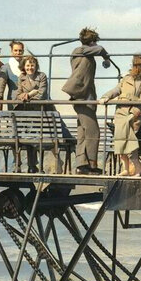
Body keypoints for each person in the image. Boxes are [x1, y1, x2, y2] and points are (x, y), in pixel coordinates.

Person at [61, 27, 111, 175]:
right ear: (92, 42)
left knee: (83, 131)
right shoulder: (80, 51)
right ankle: (90, 165)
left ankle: (82, 165)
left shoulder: (84, 53)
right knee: (93, 131)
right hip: (81, 96)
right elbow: (100, 49)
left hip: (85, 96)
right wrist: (106, 58)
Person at [102, 55, 141, 176]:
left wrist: (133, 113)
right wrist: (106, 96)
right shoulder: (126, 78)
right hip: (120, 112)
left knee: (130, 141)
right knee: (120, 141)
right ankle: (126, 168)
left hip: (132, 115)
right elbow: (117, 90)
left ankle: (138, 167)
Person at [14, 55, 49, 173]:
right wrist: (28, 95)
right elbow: (18, 94)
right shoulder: (22, 77)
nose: (30, 68)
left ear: (36, 66)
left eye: (32, 65)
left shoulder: (42, 76)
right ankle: (31, 165)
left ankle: (36, 165)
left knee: (37, 138)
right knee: (28, 138)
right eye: (28, 65)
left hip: (39, 112)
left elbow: (42, 94)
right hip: (26, 112)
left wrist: (27, 96)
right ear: (24, 67)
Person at [0, 40, 25, 111]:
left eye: (20, 50)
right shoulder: (6, 67)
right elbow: (0, 85)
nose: (18, 53)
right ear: (11, 51)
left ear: (23, 51)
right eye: (15, 50)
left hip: (28, 100)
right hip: (14, 101)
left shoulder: (28, 66)